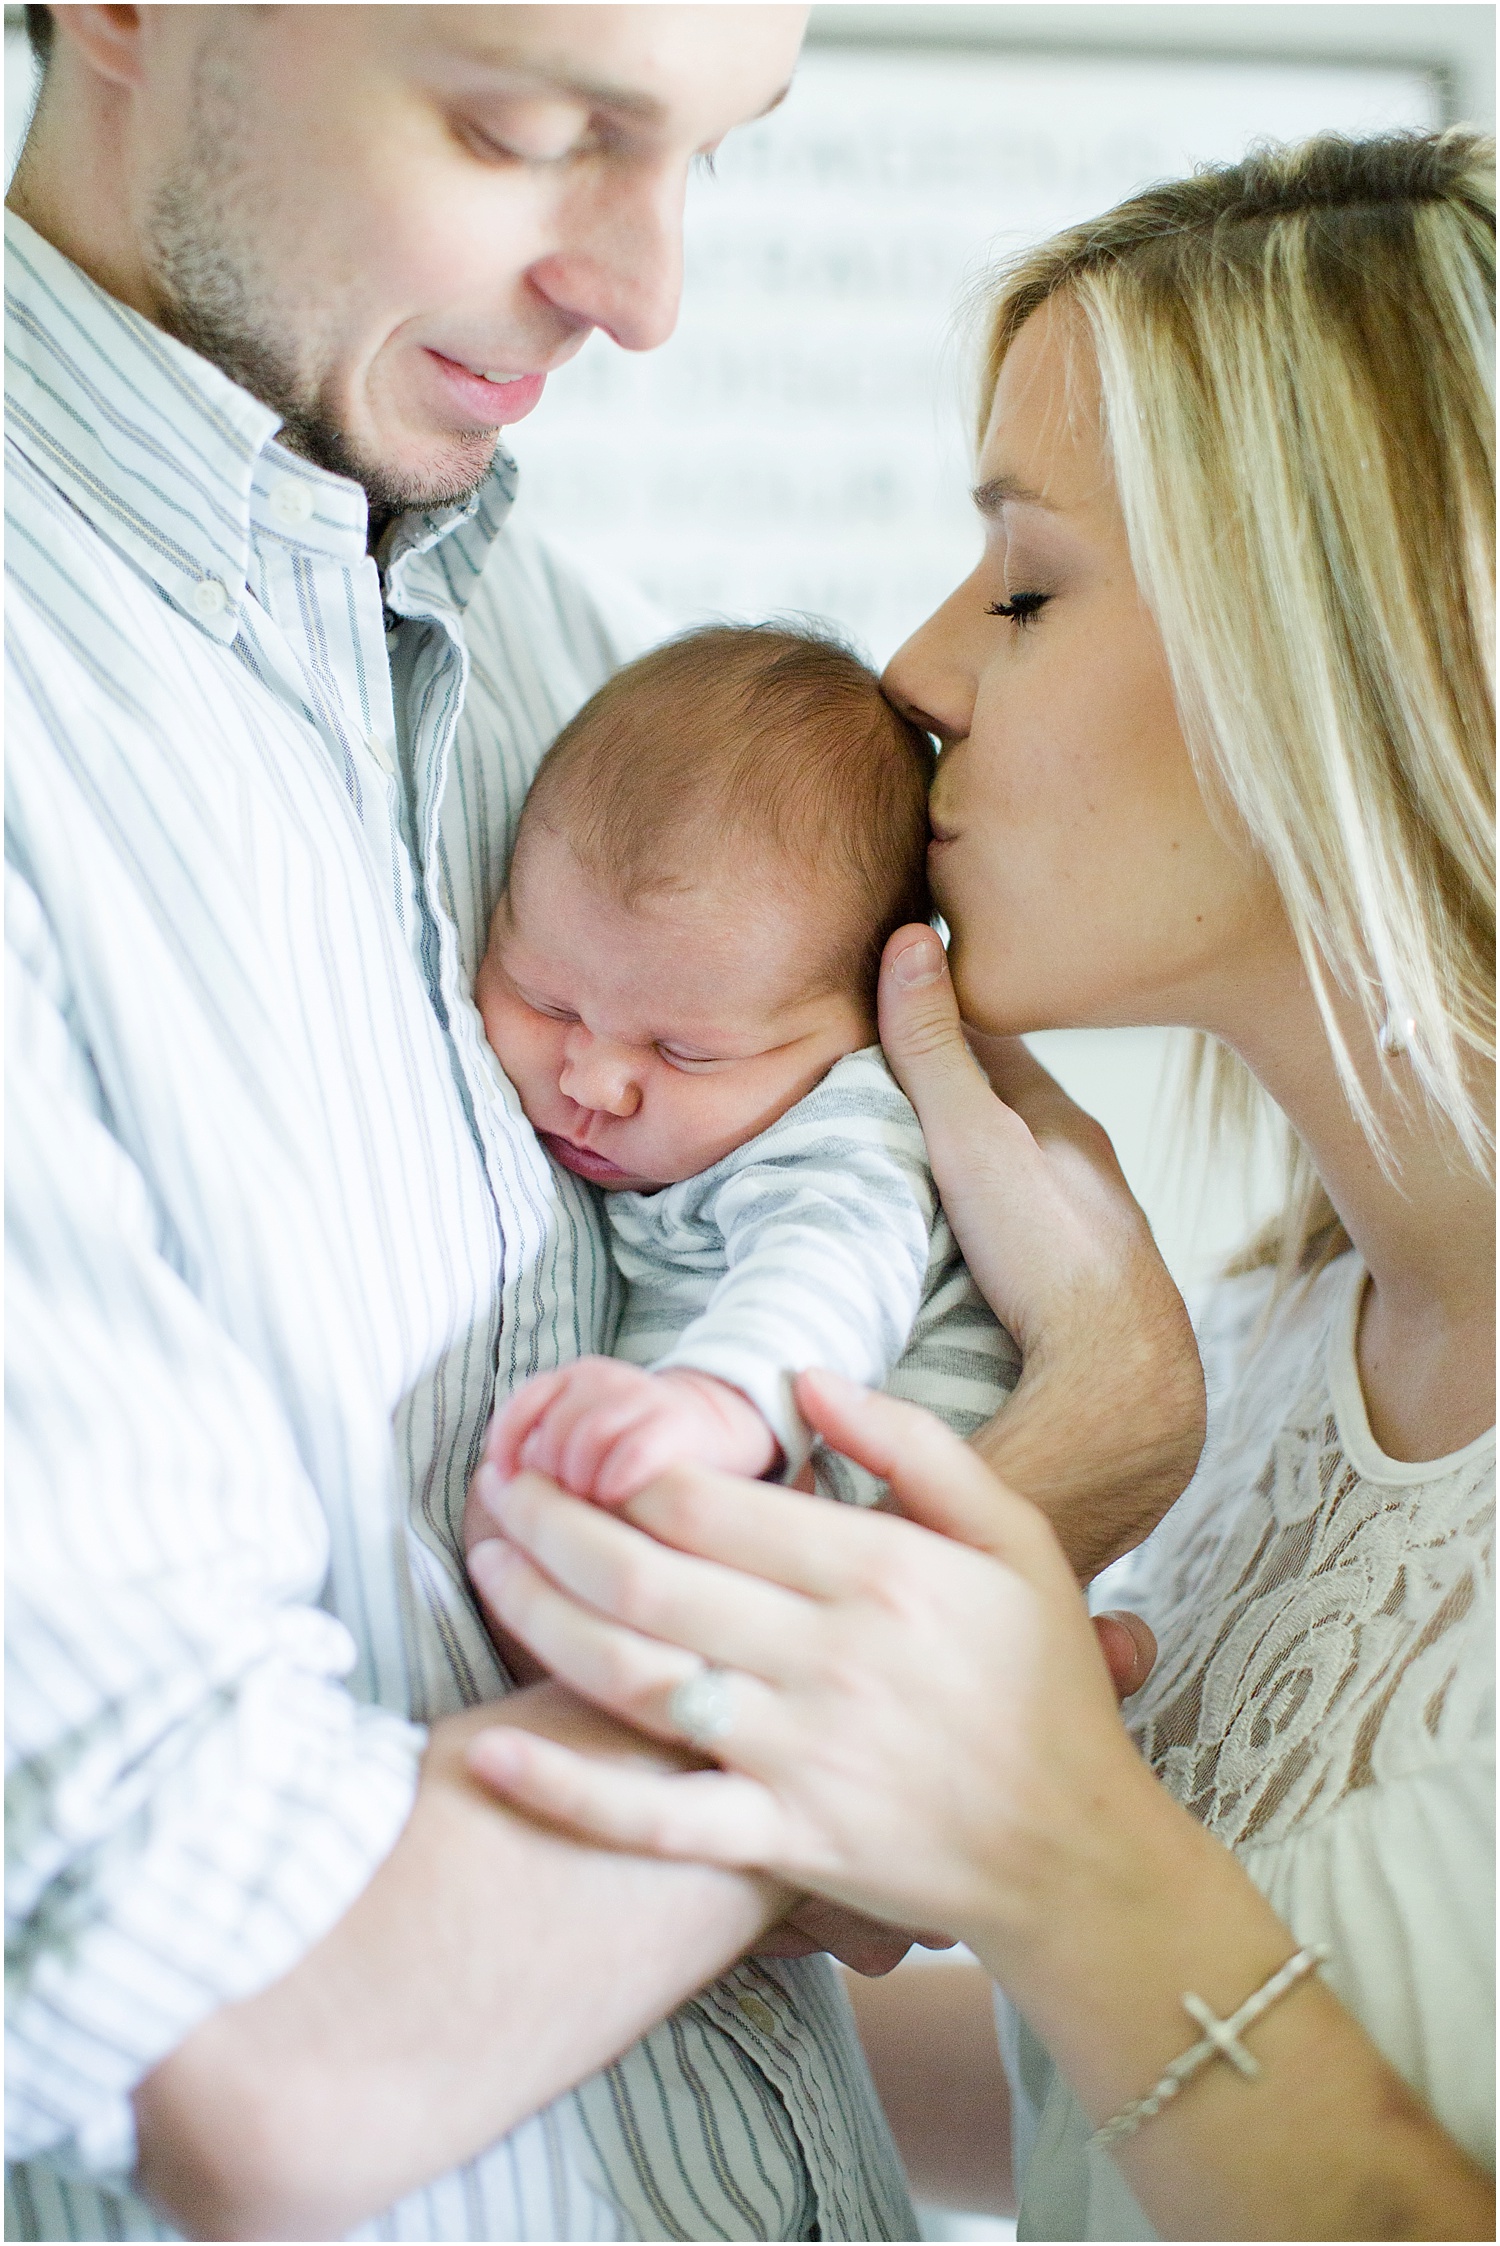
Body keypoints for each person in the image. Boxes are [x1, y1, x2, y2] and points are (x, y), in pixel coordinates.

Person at [5, 6, 1196, 2239]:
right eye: (527, 129)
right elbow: (250, 2032)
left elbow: (896, 1291)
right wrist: (1068, 1468)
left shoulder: (589, 684)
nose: (648, 297)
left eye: (710, 160)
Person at [463, 130, 1496, 2240]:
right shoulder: (1287, 1336)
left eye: (1025, 586)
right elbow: (1087, 2084)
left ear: (1355, 650)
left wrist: (1036, 1829)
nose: (919, 676)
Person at [475, 623, 1019, 1513]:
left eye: (687, 1052)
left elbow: (831, 1257)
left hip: (866, 1552)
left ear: (866, 1021)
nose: (592, 1085)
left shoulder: (844, 1128)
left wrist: (722, 1401)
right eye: (548, 1002)